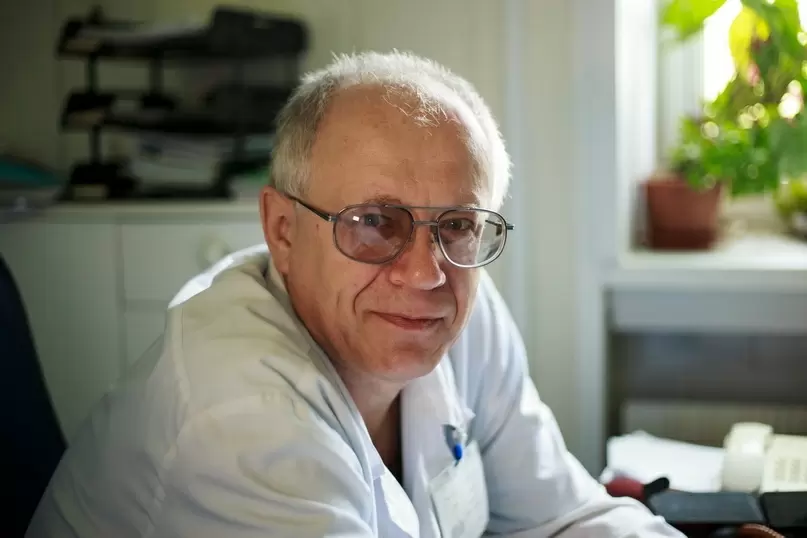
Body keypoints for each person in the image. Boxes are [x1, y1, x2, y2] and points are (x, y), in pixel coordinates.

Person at [27, 51, 682, 538]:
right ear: (283, 231)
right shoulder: (241, 418)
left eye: (457, 224)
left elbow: (563, 515)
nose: (425, 273)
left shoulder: (463, 313)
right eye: (373, 222)